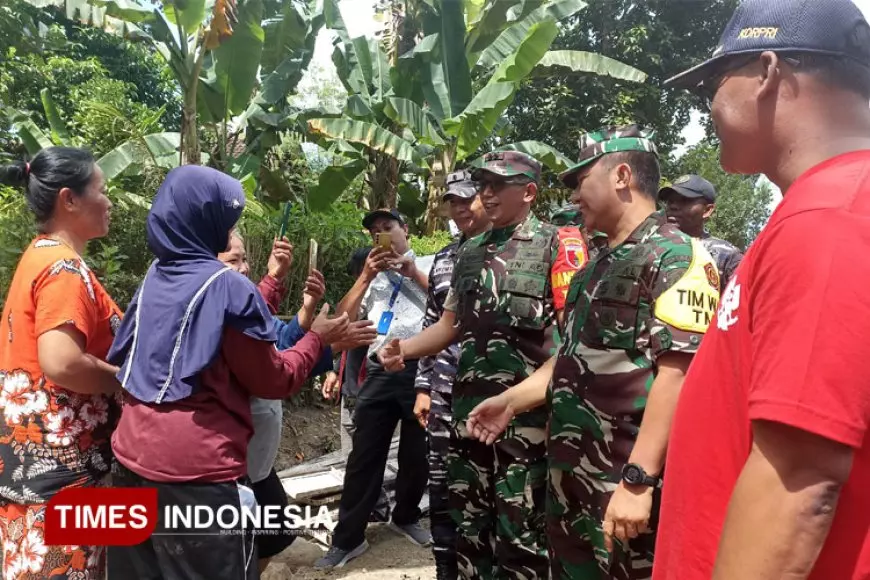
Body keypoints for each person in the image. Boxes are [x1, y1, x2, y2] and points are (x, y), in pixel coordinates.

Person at [655, 0, 870, 578]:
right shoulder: (829, 207)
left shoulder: (829, 218)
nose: (709, 104)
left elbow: (798, 482)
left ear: (769, 71)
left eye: (714, 81)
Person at [464, 125, 720, 580]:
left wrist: (638, 480)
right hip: (570, 482)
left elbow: (679, 376)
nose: (575, 195)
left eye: (581, 180)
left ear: (621, 176)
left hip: (623, 483)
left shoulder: (678, 257)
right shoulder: (593, 268)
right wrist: (511, 400)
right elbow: (570, 357)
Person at [106, 166, 349, 580]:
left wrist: (273, 284)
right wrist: (318, 340)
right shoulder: (228, 286)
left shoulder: (156, 275)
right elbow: (273, 378)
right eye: (227, 218)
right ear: (206, 221)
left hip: (130, 459)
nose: (231, 226)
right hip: (196, 473)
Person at [379, 151, 565, 579]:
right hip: (469, 418)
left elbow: (571, 341)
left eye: (499, 184)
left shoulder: (557, 244)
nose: (487, 193)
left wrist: (523, 402)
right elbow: (451, 325)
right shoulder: (470, 252)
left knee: (523, 538)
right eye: (483, 183)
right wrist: (404, 349)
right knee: (470, 532)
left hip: (526, 424)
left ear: (530, 191)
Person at [219, 230, 373, 573]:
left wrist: (303, 306)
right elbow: (275, 373)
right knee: (241, 537)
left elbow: (278, 336)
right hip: (228, 461)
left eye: (245, 260)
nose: (244, 269)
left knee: (272, 530)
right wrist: (324, 344)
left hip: (254, 457)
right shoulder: (216, 311)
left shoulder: (238, 303)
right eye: (234, 261)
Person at [0, 148, 121, 579]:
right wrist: (122, 381)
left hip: (36, 468)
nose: (110, 202)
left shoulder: (38, 256)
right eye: (102, 190)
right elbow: (62, 362)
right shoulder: (63, 268)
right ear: (69, 200)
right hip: (66, 471)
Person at [315, 208, 432, 569]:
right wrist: (366, 276)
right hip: (380, 371)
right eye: (375, 232)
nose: (381, 235)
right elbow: (342, 319)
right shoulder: (371, 276)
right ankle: (348, 539)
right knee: (364, 455)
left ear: (405, 229)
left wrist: (411, 272)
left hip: (423, 368)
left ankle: (407, 516)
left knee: (417, 454)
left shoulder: (432, 261)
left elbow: (451, 309)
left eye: (388, 227)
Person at [413, 170, 492, 580]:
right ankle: (446, 569)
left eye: (468, 200)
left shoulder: (506, 251)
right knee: (442, 489)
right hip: (444, 393)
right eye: (453, 202)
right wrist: (423, 387)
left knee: (490, 491)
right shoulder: (445, 257)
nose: (460, 209)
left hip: (492, 396)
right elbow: (432, 321)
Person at [321, 246, 392, 523]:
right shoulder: (355, 303)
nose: (360, 282)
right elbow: (342, 341)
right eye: (358, 276)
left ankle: (375, 505)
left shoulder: (382, 306)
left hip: (370, 395)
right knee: (351, 456)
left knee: (365, 457)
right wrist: (332, 370)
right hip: (350, 393)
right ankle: (372, 505)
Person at [659, 174, 743, 290]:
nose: (673, 206)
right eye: (670, 201)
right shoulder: (650, 247)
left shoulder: (726, 256)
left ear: (707, 210)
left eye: (684, 200)